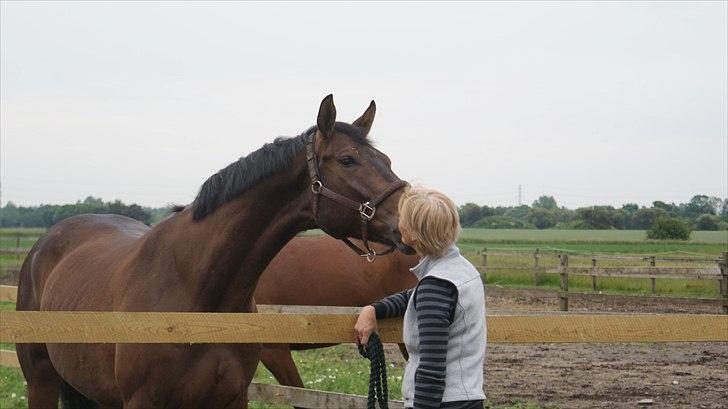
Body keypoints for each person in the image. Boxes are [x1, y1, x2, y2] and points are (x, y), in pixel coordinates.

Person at [354, 186, 486, 409]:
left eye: (403, 218)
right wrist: (373, 309)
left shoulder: (436, 285)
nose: (398, 222)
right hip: (465, 397)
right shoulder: (459, 270)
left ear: (414, 233)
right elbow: (415, 297)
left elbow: (432, 369)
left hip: (443, 403)